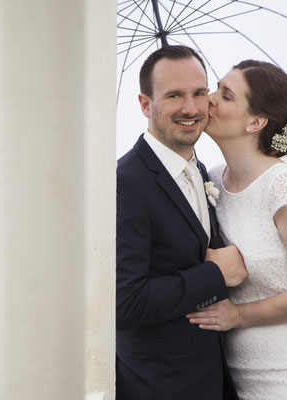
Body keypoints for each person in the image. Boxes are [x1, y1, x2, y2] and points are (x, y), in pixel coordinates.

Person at [186, 60, 287, 399]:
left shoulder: (281, 183)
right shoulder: (210, 179)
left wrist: (238, 314)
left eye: (226, 96)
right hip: (238, 375)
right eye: (216, 88)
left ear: (255, 122)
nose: (209, 98)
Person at [116, 45, 248, 399]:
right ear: (146, 104)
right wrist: (215, 274)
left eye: (199, 93)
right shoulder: (124, 181)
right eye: (174, 95)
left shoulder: (202, 171)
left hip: (215, 377)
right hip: (160, 386)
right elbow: (124, 303)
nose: (191, 108)